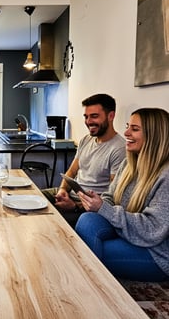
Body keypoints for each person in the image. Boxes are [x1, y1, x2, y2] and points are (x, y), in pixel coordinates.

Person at [75, 108, 169, 282]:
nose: (126, 133)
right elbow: (111, 196)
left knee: (90, 249)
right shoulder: (128, 163)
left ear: (155, 135)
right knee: (87, 220)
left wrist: (104, 209)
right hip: (126, 232)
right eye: (128, 127)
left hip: (155, 251)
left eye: (134, 129)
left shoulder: (166, 175)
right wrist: (98, 202)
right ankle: (88, 284)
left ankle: (88, 289)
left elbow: (152, 230)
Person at [42, 94, 126, 227]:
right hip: (71, 195)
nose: (88, 121)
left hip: (89, 208)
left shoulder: (119, 149)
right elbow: (72, 171)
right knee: (34, 197)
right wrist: (63, 190)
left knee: (46, 220)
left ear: (111, 116)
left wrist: (75, 206)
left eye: (94, 116)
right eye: (86, 117)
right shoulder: (86, 140)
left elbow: (113, 197)